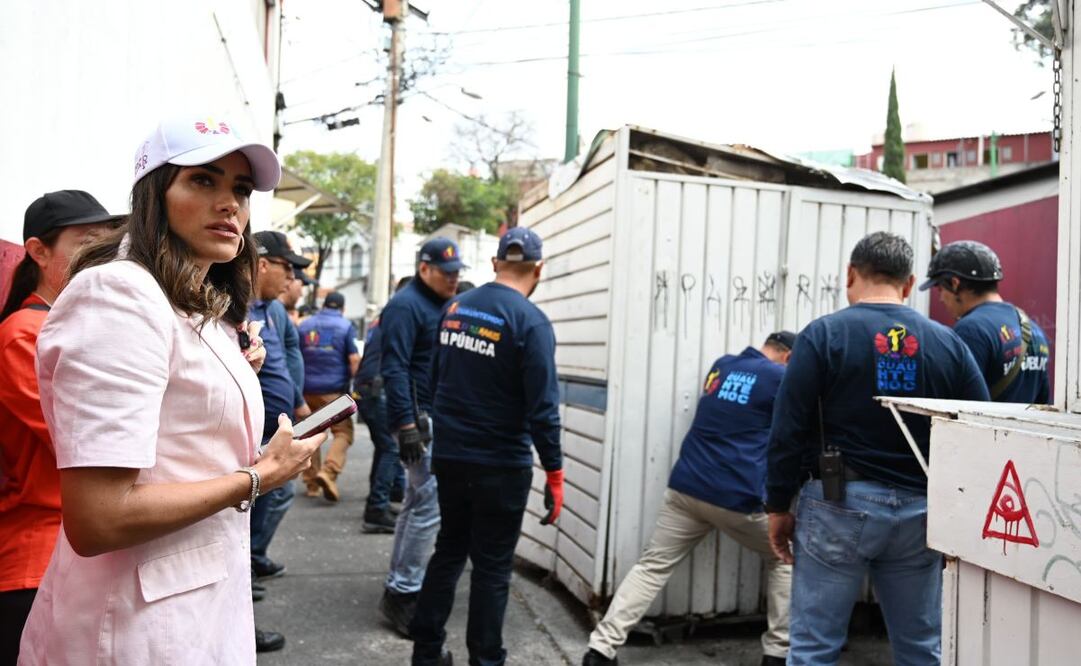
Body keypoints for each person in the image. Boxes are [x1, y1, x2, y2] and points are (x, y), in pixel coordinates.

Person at [17, 115, 323, 664]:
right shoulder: (118, 294)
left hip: (193, 603)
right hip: (137, 623)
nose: (230, 204)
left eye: (241, 189)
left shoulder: (185, 301)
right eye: (203, 180)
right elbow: (99, 517)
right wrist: (259, 476)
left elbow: (182, 443)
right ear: (154, 195)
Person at [765, 232, 990, 666]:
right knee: (921, 648)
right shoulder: (948, 344)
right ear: (908, 285)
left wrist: (777, 504)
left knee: (813, 649)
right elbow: (978, 429)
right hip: (920, 514)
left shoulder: (822, 336)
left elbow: (787, 428)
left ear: (850, 274)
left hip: (835, 506)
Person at [583, 332, 797, 666]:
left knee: (652, 566)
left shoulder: (722, 366)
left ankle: (600, 649)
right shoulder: (780, 376)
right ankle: (777, 654)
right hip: (736, 496)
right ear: (787, 357)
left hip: (687, 487)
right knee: (786, 557)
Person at [410, 228, 563, 666]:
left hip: (453, 457)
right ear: (538, 269)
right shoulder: (530, 322)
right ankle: (486, 659)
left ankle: (426, 652)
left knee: (449, 549)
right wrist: (555, 474)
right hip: (501, 465)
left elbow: (436, 381)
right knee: (493, 568)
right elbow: (544, 410)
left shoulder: (456, 308)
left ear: (495, 264)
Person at [0, 191, 121, 663]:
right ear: (37, 250)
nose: (100, 256)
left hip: (73, 547)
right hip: (38, 553)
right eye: (87, 241)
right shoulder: (23, 334)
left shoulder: (63, 324)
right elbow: (86, 440)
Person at [379, 238, 462, 636]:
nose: (454, 278)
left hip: (432, 416)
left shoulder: (437, 303)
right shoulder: (406, 305)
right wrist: (406, 424)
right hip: (420, 420)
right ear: (424, 268)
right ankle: (404, 591)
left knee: (417, 503)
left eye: (457, 272)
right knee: (427, 506)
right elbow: (394, 367)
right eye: (446, 273)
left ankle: (400, 586)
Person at [248, 231, 313, 596]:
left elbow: (287, 362)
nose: (293, 278)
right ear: (261, 265)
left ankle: (252, 559)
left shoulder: (272, 310)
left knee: (277, 494)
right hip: (254, 431)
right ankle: (245, 569)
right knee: (255, 499)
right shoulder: (233, 306)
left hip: (278, 425)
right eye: (287, 268)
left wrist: (299, 402)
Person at [919, 240, 1051, 403]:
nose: (940, 298)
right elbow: (1043, 401)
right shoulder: (1034, 330)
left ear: (955, 284)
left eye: (940, 289)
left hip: (987, 428)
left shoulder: (971, 330)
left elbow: (955, 401)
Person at [357, 277, 411, 534]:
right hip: (378, 391)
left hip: (368, 390)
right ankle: (377, 509)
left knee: (384, 447)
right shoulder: (400, 316)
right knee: (390, 448)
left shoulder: (384, 316)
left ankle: (379, 502)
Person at [299, 291, 361, 501]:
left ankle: (311, 484)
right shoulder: (345, 326)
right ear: (342, 309)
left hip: (306, 390)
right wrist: (359, 387)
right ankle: (329, 471)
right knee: (343, 433)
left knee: (310, 434)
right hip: (333, 393)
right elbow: (353, 359)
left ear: (323, 305)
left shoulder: (305, 325)